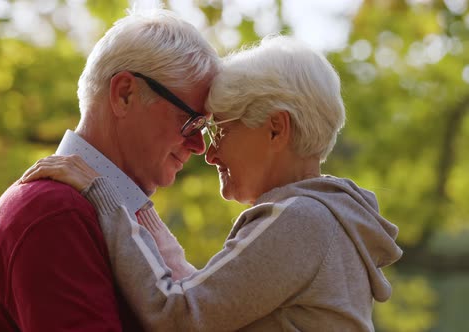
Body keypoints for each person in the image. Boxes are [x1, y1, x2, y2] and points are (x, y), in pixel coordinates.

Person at [22, 35, 403, 331]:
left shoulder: (300, 220)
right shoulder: (324, 219)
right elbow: (206, 299)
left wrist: (104, 197)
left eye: (219, 131)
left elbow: (178, 316)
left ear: (275, 129)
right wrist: (143, 217)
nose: (208, 153)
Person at [0, 7, 220, 331]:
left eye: (205, 128)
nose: (199, 146)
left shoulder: (93, 213)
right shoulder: (56, 215)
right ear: (124, 94)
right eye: (191, 121)